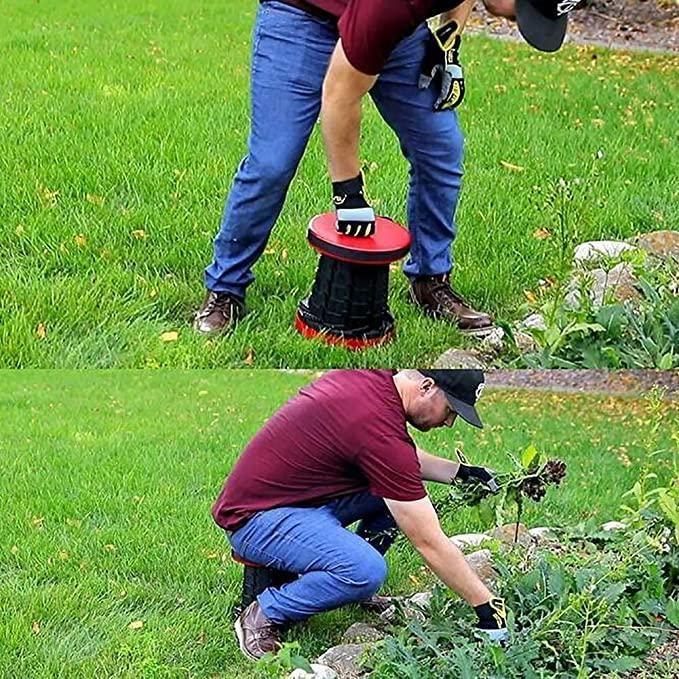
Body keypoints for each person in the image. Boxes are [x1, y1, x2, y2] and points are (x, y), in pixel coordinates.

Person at [196, 0, 581, 337]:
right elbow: (341, 93)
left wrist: (447, 46)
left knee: (440, 150)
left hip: (397, 32)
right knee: (272, 163)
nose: (518, 19)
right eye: (525, 7)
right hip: (302, 19)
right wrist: (348, 192)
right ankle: (226, 287)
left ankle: (430, 281)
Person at [212, 369, 509, 660]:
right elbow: (429, 541)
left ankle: (346, 581)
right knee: (366, 570)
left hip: (296, 501)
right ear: (427, 386)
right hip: (255, 521)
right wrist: (486, 607)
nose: (449, 422)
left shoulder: (374, 384)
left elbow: (398, 462)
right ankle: (263, 613)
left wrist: (460, 473)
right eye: (451, 409)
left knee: (398, 492)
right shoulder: (375, 424)